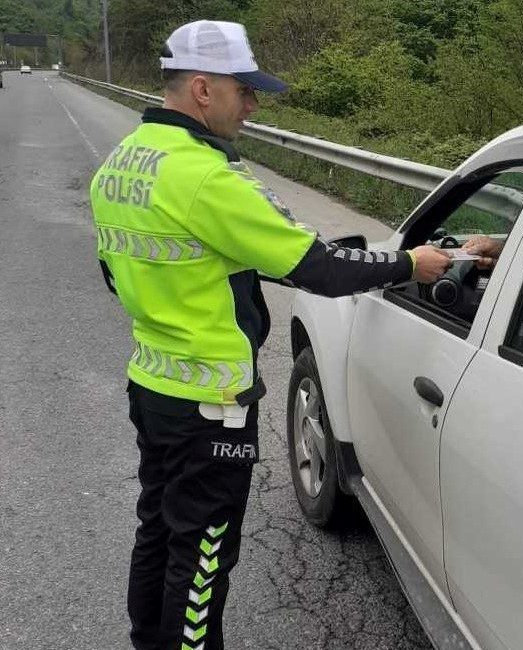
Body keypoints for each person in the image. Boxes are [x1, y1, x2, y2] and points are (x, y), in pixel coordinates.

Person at [89, 20, 451, 650]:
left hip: (152, 385)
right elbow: (316, 266)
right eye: (245, 89)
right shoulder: (207, 179)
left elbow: (113, 274)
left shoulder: (124, 162)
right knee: (202, 557)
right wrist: (409, 264)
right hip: (211, 407)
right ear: (203, 90)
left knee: (158, 530)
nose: (253, 105)